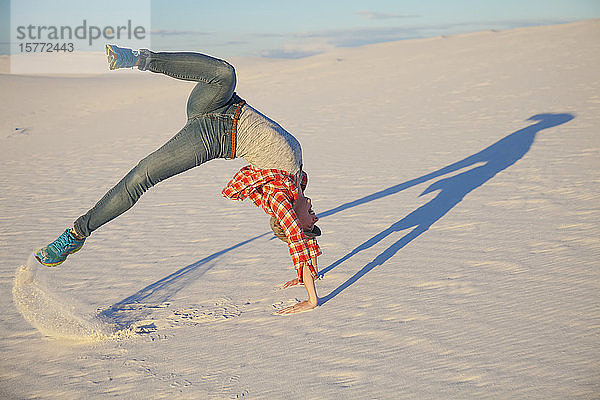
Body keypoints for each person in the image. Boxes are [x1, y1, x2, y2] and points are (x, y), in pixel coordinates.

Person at [34, 45, 322, 315]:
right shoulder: (298, 182)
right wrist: (305, 274)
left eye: (312, 223)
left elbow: (297, 241)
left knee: (141, 176)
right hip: (223, 104)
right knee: (225, 73)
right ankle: (137, 59)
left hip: (214, 137)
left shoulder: (283, 200)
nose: (316, 215)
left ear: (292, 222)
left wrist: (311, 298)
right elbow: (305, 244)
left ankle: (74, 235)